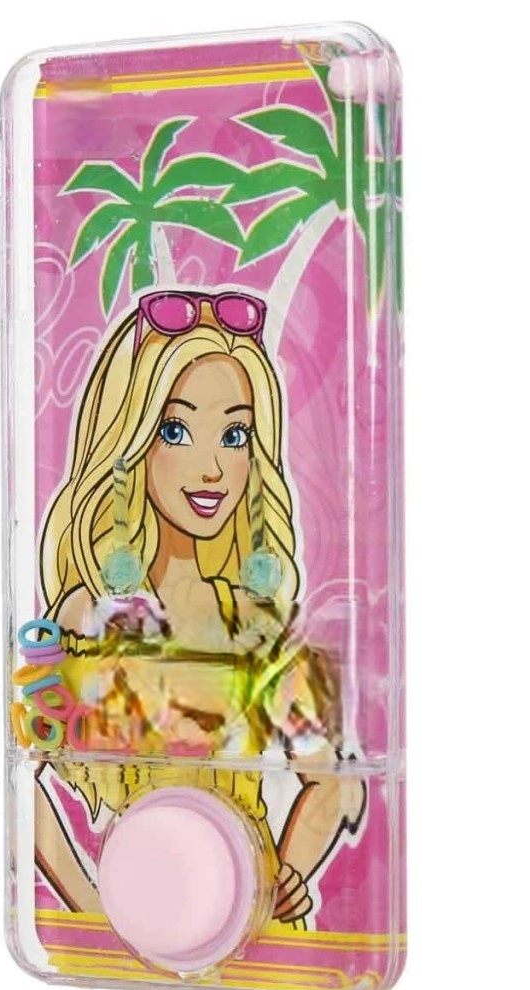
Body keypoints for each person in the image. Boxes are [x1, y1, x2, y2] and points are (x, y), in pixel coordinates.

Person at [32, 290, 365, 928]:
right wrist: (92, 907)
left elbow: (332, 779)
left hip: (252, 922)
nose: (213, 468)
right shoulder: (84, 621)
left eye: (235, 436)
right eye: (176, 431)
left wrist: (288, 876)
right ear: (130, 439)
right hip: (136, 905)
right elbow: (25, 782)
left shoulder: (257, 624)